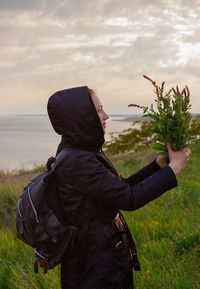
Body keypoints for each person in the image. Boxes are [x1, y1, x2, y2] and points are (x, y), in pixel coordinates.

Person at [47, 86, 191, 289]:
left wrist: (157, 166)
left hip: (102, 257)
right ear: (82, 117)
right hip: (94, 266)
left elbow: (120, 187)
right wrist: (174, 168)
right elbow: (129, 198)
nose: (106, 116)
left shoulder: (82, 152)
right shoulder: (78, 161)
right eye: (98, 110)